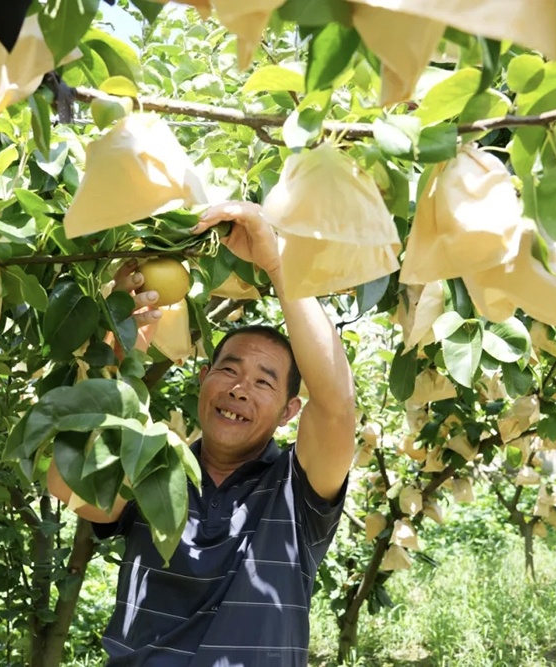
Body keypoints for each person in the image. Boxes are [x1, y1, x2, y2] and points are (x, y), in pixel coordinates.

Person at [47, 201, 356, 666]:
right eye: (229, 371)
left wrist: (275, 262)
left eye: (263, 382)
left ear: (291, 410)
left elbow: (336, 404)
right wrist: (111, 354)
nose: (239, 389)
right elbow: (68, 485)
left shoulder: (297, 491)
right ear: (203, 378)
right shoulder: (153, 466)